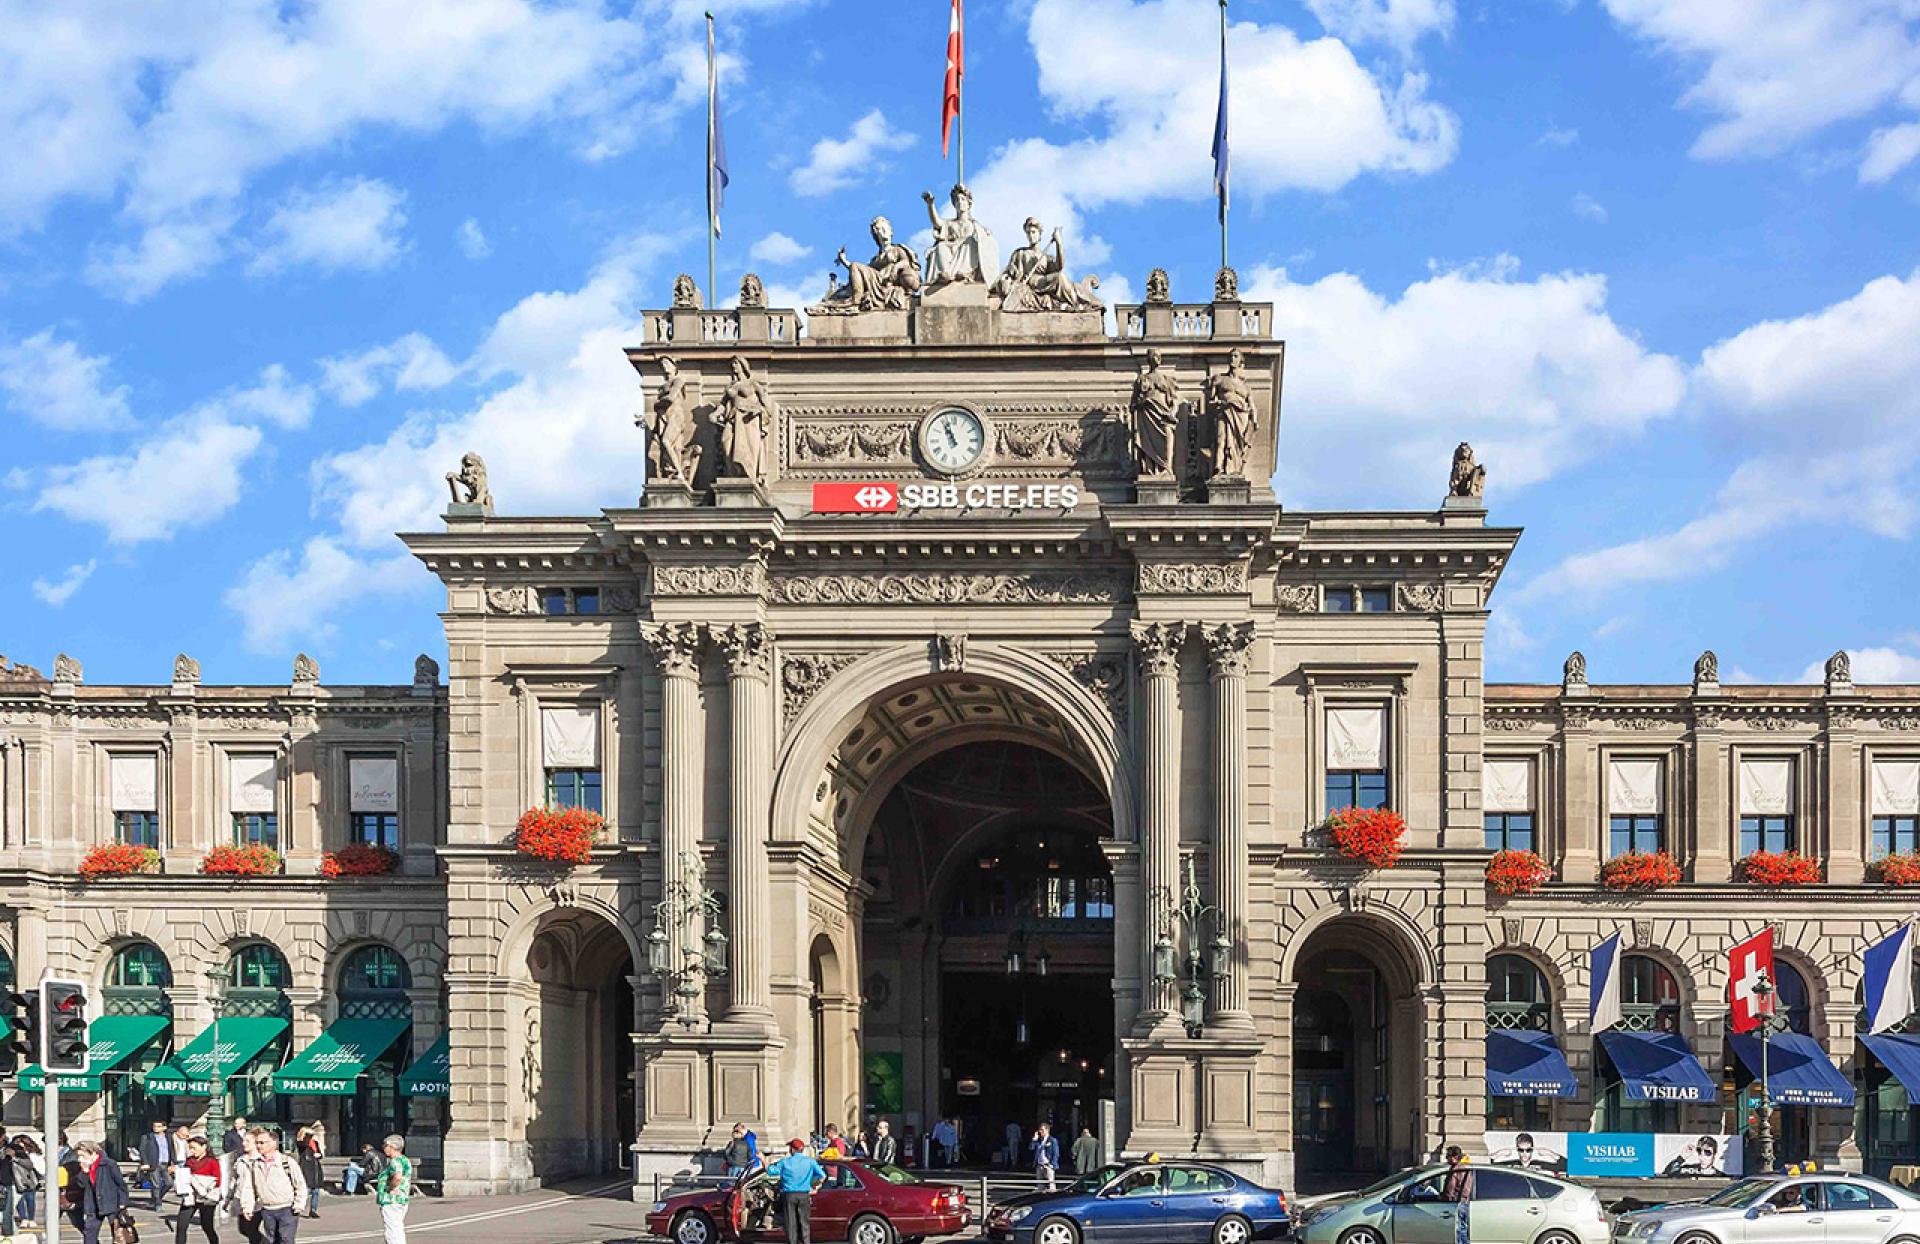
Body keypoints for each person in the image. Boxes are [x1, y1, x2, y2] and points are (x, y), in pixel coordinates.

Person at [235, 1127, 310, 1244]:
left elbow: (300, 1184)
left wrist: (299, 1204)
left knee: (286, 1239)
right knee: (272, 1240)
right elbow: (249, 1187)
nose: (259, 1146)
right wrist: (247, 1207)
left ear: (273, 1144)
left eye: (262, 1143)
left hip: (287, 1208)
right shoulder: (255, 1164)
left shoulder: (286, 1162)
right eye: (257, 1143)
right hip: (267, 1209)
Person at [68, 1139, 131, 1244]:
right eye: (79, 1156)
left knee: (117, 1231)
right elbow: (81, 1184)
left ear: (92, 1153)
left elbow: (120, 1183)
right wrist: (85, 1172)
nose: (80, 1159)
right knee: (89, 1232)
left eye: (82, 1156)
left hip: (111, 1202)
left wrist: (123, 1202)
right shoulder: (84, 1167)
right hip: (93, 1204)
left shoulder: (108, 1164)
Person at [770, 1139, 825, 1244]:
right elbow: (822, 1176)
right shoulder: (810, 1161)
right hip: (804, 1194)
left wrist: (763, 1160)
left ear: (792, 1149)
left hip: (789, 1195)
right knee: (804, 1223)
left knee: (791, 1223)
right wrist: (815, 1187)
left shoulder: (785, 1162)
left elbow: (771, 1171)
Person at [173, 1135, 222, 1244]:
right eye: (190, 1148)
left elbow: (217, 1181)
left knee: (207, 1226)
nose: (192, 1151)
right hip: (190, 1196)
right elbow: (184, 1176)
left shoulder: (212, 1161)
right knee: (181, 1225)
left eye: (194, 1148)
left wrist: (199, 1183)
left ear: (204, 1146)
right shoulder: (189, 1161)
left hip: (206, 1198)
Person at [225, 1128, 263, 1244]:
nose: (243, 1143)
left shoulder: (262, 1160)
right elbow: (234, 1179)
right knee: (243, 1229)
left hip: (257, 1201)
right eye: (243, 1140)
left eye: (247, 1141)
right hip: (240, 1198)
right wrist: (228, 1197)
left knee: (252, 1229)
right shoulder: (241, 1160)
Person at [375, 1134, 413, 1244]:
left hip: (391, 1199)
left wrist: (390, 1187)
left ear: (392, 1147)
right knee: (397, 1227)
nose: (383, 1148)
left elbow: (397, 1176)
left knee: (392, 1229)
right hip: (402, 1198)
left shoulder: (395, 1161)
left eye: (385, 1145)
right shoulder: (405, 1160)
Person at [1442, 1146, 1474, 1244]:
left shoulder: (1457, 1170)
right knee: (1462, 1230)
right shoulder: (1461, 1168)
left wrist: (1448, 1198)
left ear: (1455, 1157)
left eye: (1448, 1156)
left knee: (1459, 1231)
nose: (1446, 1158)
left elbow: (1451, 1188)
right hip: (1462, 1202)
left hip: (1458, 1203)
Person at [140, 1118, 174, 1210]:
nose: (156, 1128)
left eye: (159, 1126)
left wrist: (173, 1162)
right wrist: (145, 1162)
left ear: (164, 1128)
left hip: (165, 1163)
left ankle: (156, 1198)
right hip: (153, 1163)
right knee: (156, 1184)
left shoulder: (168, 1137)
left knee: (169, 1183)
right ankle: (158, 1204)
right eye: (154, 1126)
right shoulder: (147, 1137)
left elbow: (171, 1149)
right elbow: (142, 1150)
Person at [294, 1126, 323, 1218]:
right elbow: (303, 1145)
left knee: (316, 1190)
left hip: (315, 1167)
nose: (311, 1136)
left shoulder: (315, 1143)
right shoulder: (301, 1143)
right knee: (305, 1190)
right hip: (306, 1167)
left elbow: (320, 1153)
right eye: (309, 1135)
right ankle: (297, 1207)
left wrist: (319, 1154)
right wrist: (304, 1135)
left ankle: (313, 1210)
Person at [1030, 1124, 1060, 1191]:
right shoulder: (1038, 1140)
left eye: (1042, 1130)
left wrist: (1052, 1164)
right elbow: (1031, 1149)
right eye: (1040, 1130)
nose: (1041, 1132)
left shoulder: (1052, 1140)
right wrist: (1034, 1140)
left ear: (1047, 1130)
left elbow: (1056, 1153)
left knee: (1050, 1184)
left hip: (1048, 1165)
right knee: (1040, 1184)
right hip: (1039, 1164)